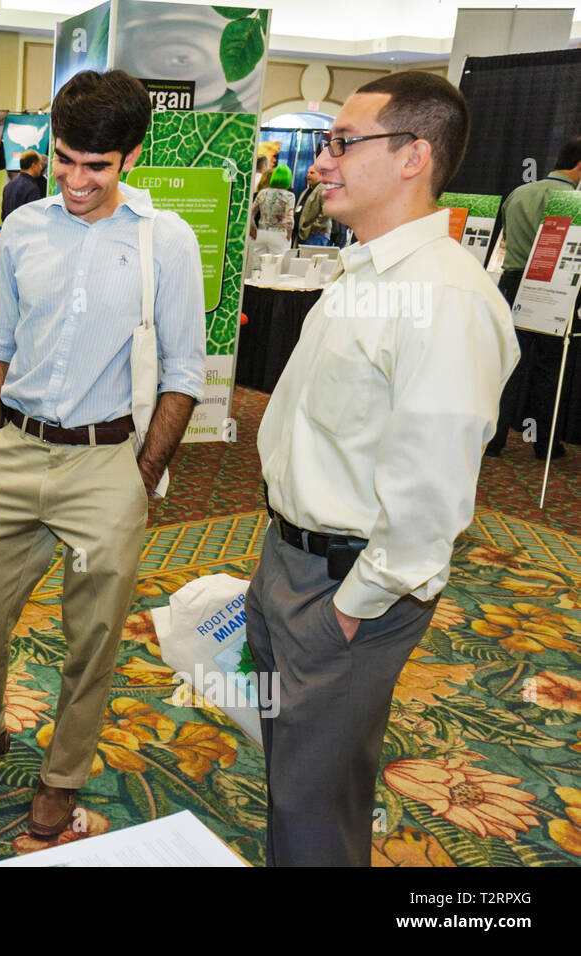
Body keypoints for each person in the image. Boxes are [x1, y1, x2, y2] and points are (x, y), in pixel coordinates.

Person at [0, 69, 206, 840]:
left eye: (95, 166)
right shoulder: (26, 227)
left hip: (107, 462)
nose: (74, 179)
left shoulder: (164, 239)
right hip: (14, 451)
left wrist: (139, 478)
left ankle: (63, 774)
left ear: (130, 156)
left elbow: (185, 373)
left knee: (93, 637)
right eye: (64, 158)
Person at [248, 70, 519, 866]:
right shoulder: (367, 272)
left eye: (342, 142)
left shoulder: (444, 298)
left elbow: (433, 486)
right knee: (307, 782)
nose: (321, 161)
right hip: (295, 568)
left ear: (414, 157)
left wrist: (357, 604)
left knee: (309, 798)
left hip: (348, 591)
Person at [485, 136, 581, 459]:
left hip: (512, 283)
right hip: (553, 287)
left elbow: (507, 240)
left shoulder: (518, 193)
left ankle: (494, 438)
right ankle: (544, 443)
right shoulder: (572, 201)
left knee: (510, 360)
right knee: (548, 367)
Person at [250, 163, 295, 259]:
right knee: (277, 264)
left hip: (262, 232)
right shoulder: (289, 196)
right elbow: (289, 219)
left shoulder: (262, 193)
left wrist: (253, 228)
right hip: (279, 234)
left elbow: (250, 213)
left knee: (258, 263)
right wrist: (289, 236)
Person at [1, 149, 45, 221]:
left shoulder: (8, 186)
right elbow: (33, 217)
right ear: (34, 165)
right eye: (40, 164)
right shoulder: (32, 188)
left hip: (8, 229)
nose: (41, 168)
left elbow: (3, 215)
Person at [294, 166, 332, 247]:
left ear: (321, 175)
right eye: (307, 173)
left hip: (316, 235)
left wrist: (314, 227)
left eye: (312, 173)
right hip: (302, 234)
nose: (308, 175)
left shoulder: (324, 189)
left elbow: (327, 211)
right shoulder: (306, 190)